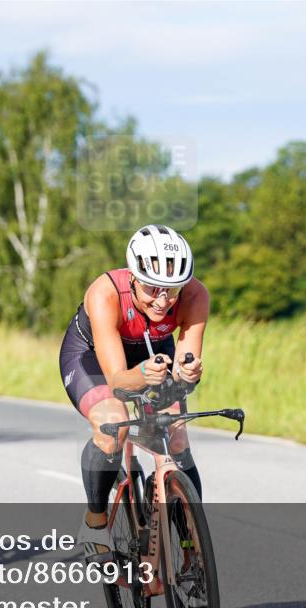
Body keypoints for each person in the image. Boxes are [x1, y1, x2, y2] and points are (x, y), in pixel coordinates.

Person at [59, 224, 209, 556]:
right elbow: (117, 380)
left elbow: (187, 362)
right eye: (153, 289)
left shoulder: (196, 296)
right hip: (92, 358)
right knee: (112, 426)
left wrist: (188, 372)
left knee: (177, 435)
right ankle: (95, 521)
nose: (163, 301)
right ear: (133, 278)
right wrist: (143, 375)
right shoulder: (105, 293)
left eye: (172, 291)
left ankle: (191, 546)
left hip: (152, 350)